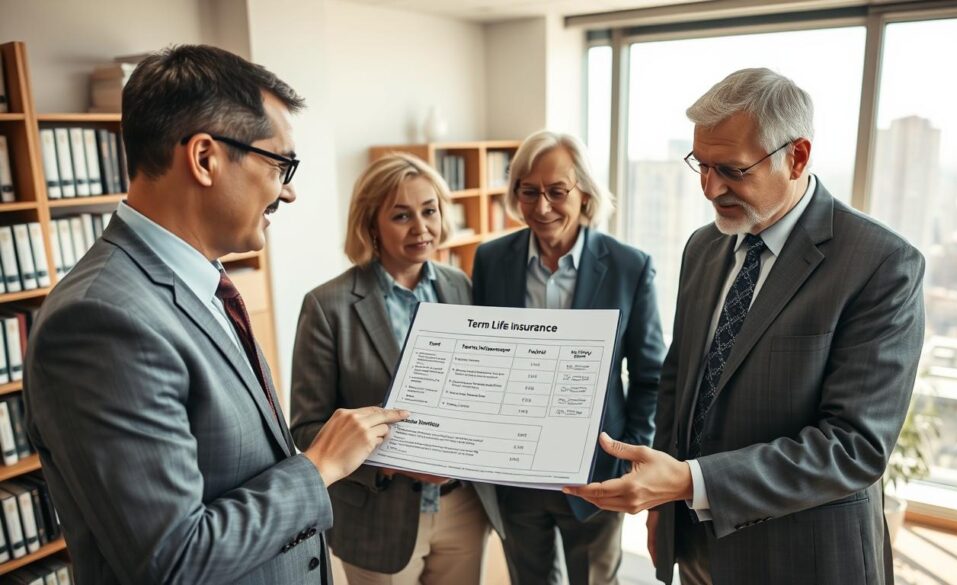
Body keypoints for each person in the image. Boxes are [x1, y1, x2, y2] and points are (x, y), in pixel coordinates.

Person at [22, 45, 408, 585]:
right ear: (205, 158)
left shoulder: (204, 281)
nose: (289, 191)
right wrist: (319, 468)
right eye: (280, 164)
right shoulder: (99, 321)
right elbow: (175, 559)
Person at [565, 68, 926, 585]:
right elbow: (678, 381)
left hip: (802, 557)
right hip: (696, 546)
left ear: (796, 157)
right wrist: (663, 512)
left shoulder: (882, 264)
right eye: (701, 165)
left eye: (731, 170)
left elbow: (854, 446)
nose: (710, 189)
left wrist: (691, 482)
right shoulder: (703, 246)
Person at [290, 152, 504, 585]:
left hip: (462, 506)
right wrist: (394, 463)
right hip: (377, 512)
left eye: (429, 211)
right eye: (401, 216)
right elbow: (307, 427)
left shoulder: (460, 286)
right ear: (371, 225)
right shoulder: (327, 306)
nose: (421, 228)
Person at [472, 130, 666, 585]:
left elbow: (650, 376)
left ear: (584, 194)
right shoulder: (490, 260)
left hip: (597, 474)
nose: (542, 207)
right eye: (528, 192)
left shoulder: (629, 266)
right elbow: (483, 360)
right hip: (515, 472)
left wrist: (625, 460)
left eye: (557, 192)